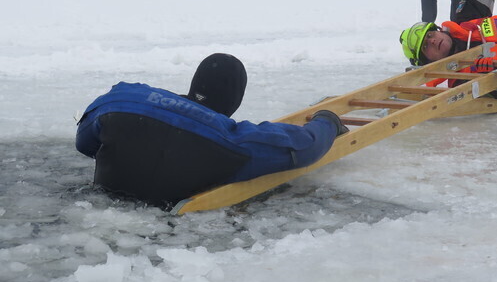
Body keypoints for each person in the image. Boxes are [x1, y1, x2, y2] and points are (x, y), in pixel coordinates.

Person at [76, 53, 348, 208]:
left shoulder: (126, 98)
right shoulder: (232, 140)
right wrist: (327, 120)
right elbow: (304, 146)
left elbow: (84, 143)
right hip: (154, 223)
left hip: (97, 203)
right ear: (235, 100)